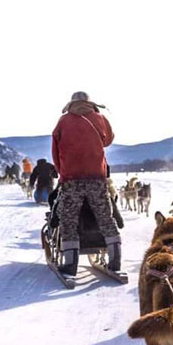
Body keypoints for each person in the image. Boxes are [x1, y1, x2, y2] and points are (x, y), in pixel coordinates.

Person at [52, 91, 121, 275]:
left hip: (71, 179)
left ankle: (71, 264)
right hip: (96, 178)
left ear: (71, 104)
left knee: (69, 220)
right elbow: (108, 140)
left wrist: (62, 173)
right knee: (106, 217)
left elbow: (55, 149)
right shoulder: (99, 118)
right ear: (90, 103)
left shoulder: (63, 121)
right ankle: (115, 261)